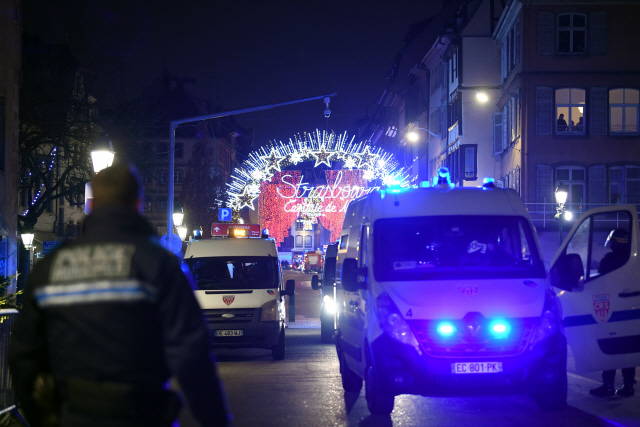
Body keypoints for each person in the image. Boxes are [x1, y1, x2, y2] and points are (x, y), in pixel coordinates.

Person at [10, 164, 232, 426]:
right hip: (142, 414)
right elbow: (191, 354)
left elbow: (24, 354)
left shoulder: (51, 267)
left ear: (92, 206)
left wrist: (41, 418)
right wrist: (215, 419)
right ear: (138, 204)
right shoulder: (158, 264)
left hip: (73, 414)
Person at [589, 228, 636, 398]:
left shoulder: (609, 260)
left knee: (609, 346)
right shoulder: (634, 261)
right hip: (631, 309)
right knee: (628, 347)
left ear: (614, 242)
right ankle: (628, 385)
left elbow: (600, 282)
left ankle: (608, 384)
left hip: (611, 310)